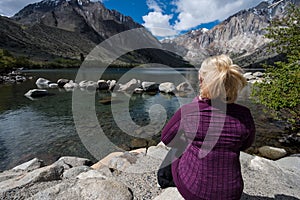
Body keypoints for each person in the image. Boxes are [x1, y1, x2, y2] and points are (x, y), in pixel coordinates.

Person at [158, 55, 256, 200]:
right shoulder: (244, 114)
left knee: (179, 145)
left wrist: (195, 106)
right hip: (232, 194)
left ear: (201, 80)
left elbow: (166, 139)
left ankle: (165, 179)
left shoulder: (190, 111)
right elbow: (246, 144)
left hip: (195, 193)